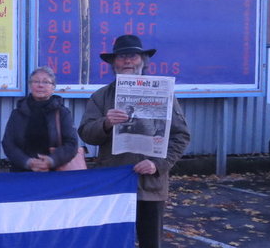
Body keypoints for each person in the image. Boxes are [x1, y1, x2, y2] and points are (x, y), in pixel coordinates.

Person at [78, 35, 190, 248]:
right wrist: (106, 123)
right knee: (112, 242)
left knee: (150, 243)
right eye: (121, 57)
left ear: (143, 60)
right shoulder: (101, 96)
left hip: (151, 185)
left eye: (132, 56)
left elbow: (181, 135)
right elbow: (85, 133)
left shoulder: (163, 93)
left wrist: (157, 164)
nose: (127, 61)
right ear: (113, 63)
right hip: (114, 183)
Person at [2, 67, 78, 172]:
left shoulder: (62, 112)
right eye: (36, 81)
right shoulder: (18, 112)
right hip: (21, 172)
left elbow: (71, 144)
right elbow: (8, 143)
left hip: (54, 172)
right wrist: (28, 162)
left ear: (53, 87)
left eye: (46, 82)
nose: (40, 85)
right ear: (30, 85)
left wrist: (51, 161)